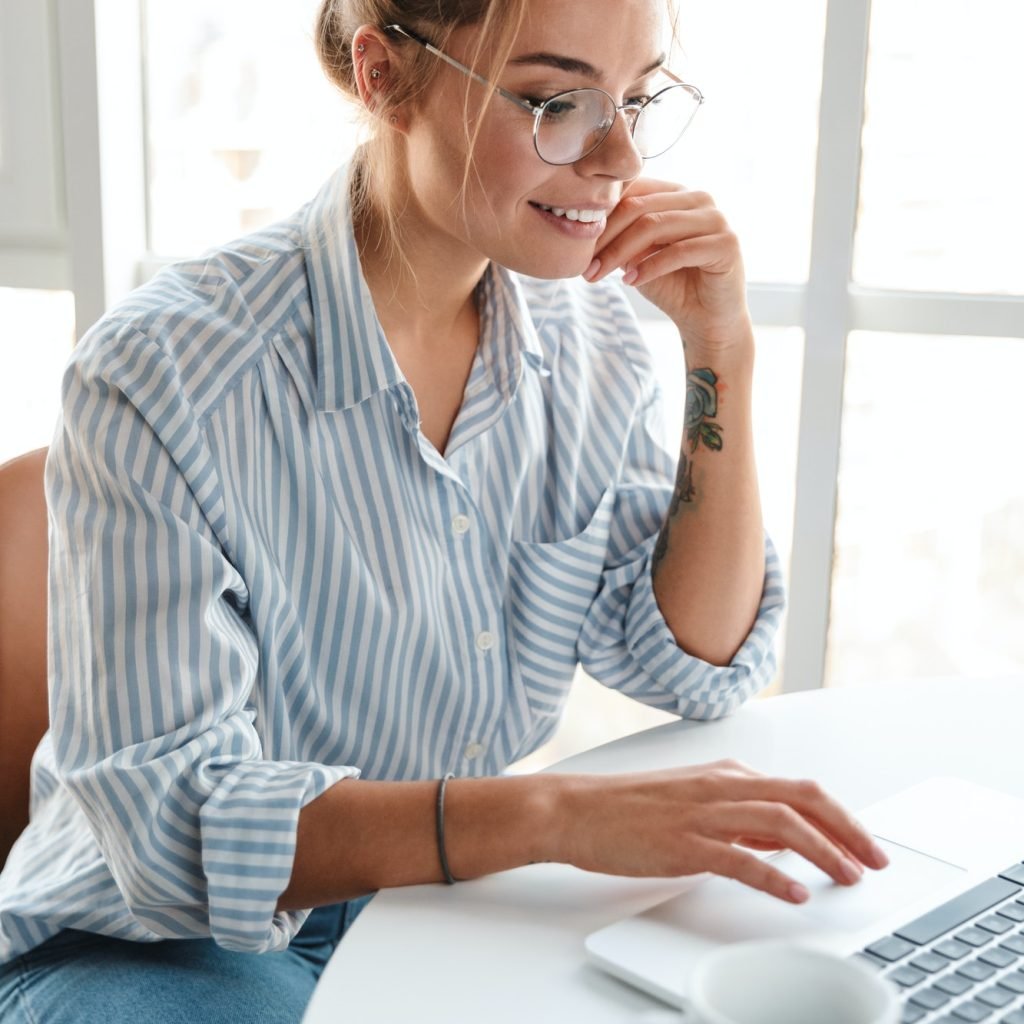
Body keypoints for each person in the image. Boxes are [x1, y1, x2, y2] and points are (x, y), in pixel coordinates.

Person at [0, 0, 889, 1020]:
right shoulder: (163, 373)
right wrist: (551, 811)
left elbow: (689, 661)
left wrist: (720, 353)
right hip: (154, 947)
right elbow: (164, 828)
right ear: (382, 75)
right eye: (557, 101)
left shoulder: (588, 341)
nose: (618, 160)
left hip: (433, 901)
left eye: (637, 98)